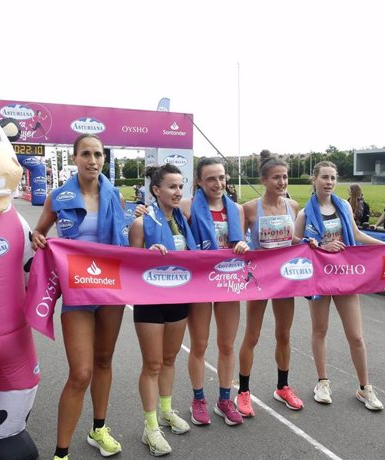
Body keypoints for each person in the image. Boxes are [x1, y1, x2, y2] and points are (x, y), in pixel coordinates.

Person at [32, 134, 128, 460]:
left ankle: (99, 429)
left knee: (103, 362)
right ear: (74, 158)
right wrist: (36, 238)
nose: (92, 160)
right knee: (81, 373)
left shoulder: (115, 196)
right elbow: (40, 233)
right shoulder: (58, 197)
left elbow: (126, 242)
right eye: (85, 154)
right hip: (77, 292)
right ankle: (61, 453)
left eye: (98, 154)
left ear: (104, 159)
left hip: (111, 291)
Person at [295, 161, 385, 411]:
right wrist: (316, 244)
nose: (329, 182)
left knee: (356, 335)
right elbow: (295, 240)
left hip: (344, 275)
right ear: (314, 180)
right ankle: (322, 382)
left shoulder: (343, 206)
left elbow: (357, 235)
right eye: (324, 177)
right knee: (320, 330)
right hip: (319, 277)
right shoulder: (305, 213)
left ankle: (365, 388)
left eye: (333, 178)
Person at [128, 164, 196, 456]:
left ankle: (167, 411)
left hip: (179, 298)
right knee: (152, 364)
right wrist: (146, 256)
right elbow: (129, 265)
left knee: (170, 359)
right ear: (156, 190)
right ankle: (150, 427)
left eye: (180, 186)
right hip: (150, 302)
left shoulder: (183, 218)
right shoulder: (142, 223)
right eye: (171, 186)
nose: (178, 191)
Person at [236, 151, 303, 418]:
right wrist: (240, 244)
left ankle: (282, 387)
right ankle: (243, 391)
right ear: (264, 180)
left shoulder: (294, 206)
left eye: (285, 177)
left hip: (285, 279)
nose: (282, 182)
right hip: (259, 279)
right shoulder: (250, 208)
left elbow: (293, 239)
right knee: (252, 335)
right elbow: (237, 240)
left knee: (284, 335)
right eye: (276, 177)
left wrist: (307, 243)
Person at [184, 157, 249, 426]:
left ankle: (225, 399)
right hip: (199, 283)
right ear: (199, 181)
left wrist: (244, 245)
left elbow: (242, 242)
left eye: (221, 177)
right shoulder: (187, 207)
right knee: (199, 345)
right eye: (211, 178)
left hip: (228, 282)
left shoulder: (236, 209)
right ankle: (198, 399)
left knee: (227, 344)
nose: (218, 183)